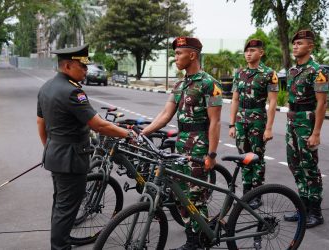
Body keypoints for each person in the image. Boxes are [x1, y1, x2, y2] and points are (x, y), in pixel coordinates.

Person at [36, 44, 135, 250]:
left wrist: (51, 148)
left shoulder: (46, 87)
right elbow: (98, 124)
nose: (86, 71)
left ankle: (60, 244)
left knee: (60, 205)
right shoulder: (73, 92)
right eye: (82, 66)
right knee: (67, 208)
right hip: (71, 160)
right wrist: (128, 133)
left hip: (55, 156)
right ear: (69, 66)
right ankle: (60, 247)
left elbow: (40, 123)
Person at [142, 37, 222, 250]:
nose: (175, 57)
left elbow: (215, 121)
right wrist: (144, 132)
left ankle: (198, 241)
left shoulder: (209, 84)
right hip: (181, 147)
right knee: (180, 196)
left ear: (192, 55)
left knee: (195, 197)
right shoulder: (180, 84)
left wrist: (211, 155)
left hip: (199, 145)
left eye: (179, 54)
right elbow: (166, 114)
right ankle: (194, 236)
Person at [283, 30, 329, 228]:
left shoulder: (317, 72)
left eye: (299, 43)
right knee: (294, 164)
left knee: (309, 166)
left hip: (307, 121)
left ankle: (316, 212)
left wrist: (316, 132)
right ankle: (303, 207)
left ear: (310, 47)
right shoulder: (293, 71)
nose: (295, 47)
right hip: (292, 120)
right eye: (294, 44)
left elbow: (322, 103)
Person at [228, 39, 278, 208]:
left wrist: (269, 128)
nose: (248, 54)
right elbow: (234, 99)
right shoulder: (240, 73)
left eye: (252, 50)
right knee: (243, 157)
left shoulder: (269, 74)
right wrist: (232, 124)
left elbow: (272, 103)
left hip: (258, 120)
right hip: (241, 120)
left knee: (257, 157)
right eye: (247, 51)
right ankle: (246, 192)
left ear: (261, 53)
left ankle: (257, 194)